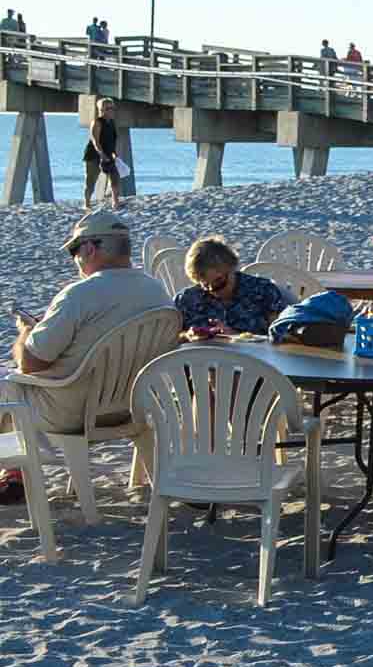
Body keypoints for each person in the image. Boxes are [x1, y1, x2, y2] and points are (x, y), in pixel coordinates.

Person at [7, 211, 166, 476]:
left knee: (7, 387)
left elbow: (30, 363)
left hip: (73, 411)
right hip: (134, 405)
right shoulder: (156, 290)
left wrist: (26, 331)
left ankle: (14, 474)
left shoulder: (79, 294)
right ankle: (13, 473)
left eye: (75, 251)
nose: (75, 260)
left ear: (90, 248)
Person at [172, 238, 296, 335]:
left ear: (232, 269)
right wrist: (188, 336)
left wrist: (237, 338)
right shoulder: (186, 300)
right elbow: (168, 341)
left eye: (218, 282)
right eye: (204, 284)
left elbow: (282, 338)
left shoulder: (262, 291)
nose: (211, 290)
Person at [82, 98, 124, 208]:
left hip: (109, 154)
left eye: (112, 108)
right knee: (91, 181)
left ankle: (115, 202)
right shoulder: (97, 122)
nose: (112, 110)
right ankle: (87, 203)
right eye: (108, 108)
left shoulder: (112, 122)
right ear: (102, 110)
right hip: (94, 155)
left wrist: (114, 154)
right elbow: (95, 142)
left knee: (115, 177)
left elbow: (112, 140)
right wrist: (102, 155)